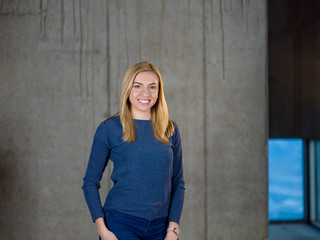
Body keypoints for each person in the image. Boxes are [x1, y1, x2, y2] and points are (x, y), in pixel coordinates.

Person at [82, 61, 185, 240]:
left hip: (161, 227)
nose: (145, 93)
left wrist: (173, 229)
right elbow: (90, 183)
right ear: (128, 89)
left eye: (152, 87)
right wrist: (102, 230)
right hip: (121, 223)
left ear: (159, 92)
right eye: (138, 86)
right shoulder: (110, 128)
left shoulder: (170, 129)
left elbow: (178, 183)